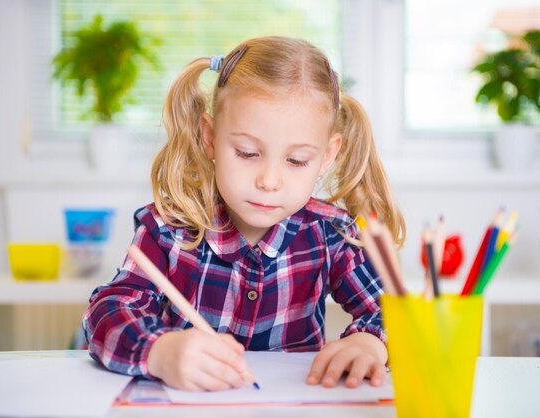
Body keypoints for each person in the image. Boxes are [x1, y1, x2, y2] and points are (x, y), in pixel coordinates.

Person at [83, 36, 406, 392]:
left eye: (297, 161)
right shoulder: (167, 230)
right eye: (248, 153)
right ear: (210, 138)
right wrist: (159, 351)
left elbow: (399, 313)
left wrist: (370, 342)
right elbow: (105, 313)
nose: (269, 181)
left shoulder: (332, 234)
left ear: (327, 156)